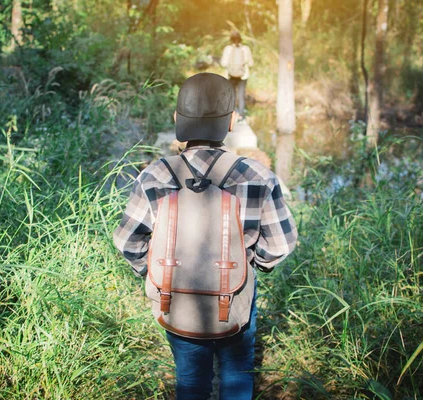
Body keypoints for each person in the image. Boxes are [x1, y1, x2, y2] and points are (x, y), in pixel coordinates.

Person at [113, 73, 297, 400]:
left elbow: (128, 241)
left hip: (176, 298)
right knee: (237, 376)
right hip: (235, 297)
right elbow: (280, 245)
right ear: (231, 122)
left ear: (176, 120)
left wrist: (155, 270)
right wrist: (251, 263)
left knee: (190, 381)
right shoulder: (259, 176)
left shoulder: (155, 175)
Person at [220, 31, 254, 119]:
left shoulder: (228, 49)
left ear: (231, 39)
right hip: (243, 75)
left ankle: (231, 115)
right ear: (240, 39)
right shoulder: (246, 49)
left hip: (230, 75)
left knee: (232, 95)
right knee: (241, 95)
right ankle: (241, 115)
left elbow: (223, 63)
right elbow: (251, 63)